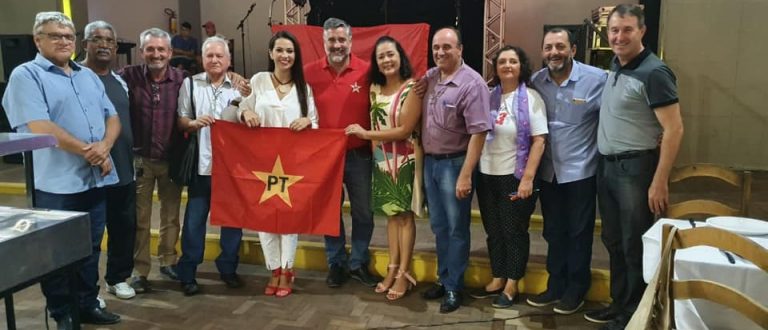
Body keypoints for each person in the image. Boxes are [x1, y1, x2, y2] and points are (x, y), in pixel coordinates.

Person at [2, 11, 122, 328]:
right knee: (55, 253)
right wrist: (91, 152)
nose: (63, 41)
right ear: (37, 39)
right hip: (56, 184)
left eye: (68, 36)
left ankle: (86, 303)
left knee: (91, 247)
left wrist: (105, 147)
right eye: (55, 35)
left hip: (94, 181)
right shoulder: (25, 76)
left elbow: (113, 117)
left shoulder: (87, 76)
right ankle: (62, 311)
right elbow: (39, 127)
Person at [594, 4, 683, 329]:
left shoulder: (654, 72)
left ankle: (635, 314)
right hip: (608, 168)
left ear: (642, 31)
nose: (619, 36)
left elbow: (674, 129)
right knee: (614, 241)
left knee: (634, 244)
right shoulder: (616, 66)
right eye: (614, 30)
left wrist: (659, 180)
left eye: (627, 29)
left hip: (635, 170)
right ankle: (619, 304)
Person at [525, 28, 607, 315]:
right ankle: (555, 284)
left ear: (573, 49)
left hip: (581, 172)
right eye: (548, 47)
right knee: (553, 231)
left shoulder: (598, 80)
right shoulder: (536, 82)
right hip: (548, 173)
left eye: (560, 46)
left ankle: (576, 288)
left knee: (579, 233)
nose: (553, 53)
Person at [237, 30, 318, 298]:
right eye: (280, 50)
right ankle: (273, 269)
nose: (285, 55)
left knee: (288, 219)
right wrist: (246, 111)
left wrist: (308, 121)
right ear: (271, 53)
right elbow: (241, 108)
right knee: (265, 218)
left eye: (290, 51)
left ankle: (287, 269)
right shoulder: (259, 81)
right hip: (261, 162)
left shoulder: (303, 88)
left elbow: (315, 122)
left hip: (292, 165)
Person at [344, 36, 424, 301]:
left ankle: (404, 273)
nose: (387, 60)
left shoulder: (412, 87)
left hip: (404, 160)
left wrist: (365, 135)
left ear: (400, 56)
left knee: (404, 218)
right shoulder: (374, 88)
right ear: (376, 63)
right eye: (381, 57)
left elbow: (405, 129)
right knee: (390, 218)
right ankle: (391, 270)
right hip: (381, 160)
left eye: (391, 54)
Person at [419, 26, 492, 313]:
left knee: (456, 228)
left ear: (460, 49)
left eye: (447, 47)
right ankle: (443, 277)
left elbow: (479, 133)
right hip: (431, 164)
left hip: (455, 164)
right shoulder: (431, 77)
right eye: (436, 47)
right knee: (439, 227)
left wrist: (465, 174)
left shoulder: (472, 84)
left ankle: (454, 287)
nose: (440, 52)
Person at [304, 17, 381, 288]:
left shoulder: (368, 70)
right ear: (323, 43)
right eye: (331, 41)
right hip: (324, 159)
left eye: (341, 40)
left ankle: (358, 262)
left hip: (359, 155)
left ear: (351, 41)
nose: (337, 45)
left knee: (364, 213)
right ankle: (335, 262)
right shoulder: (309, 72)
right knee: (329, 214)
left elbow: (396, 86)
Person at [473, 45, 547, 309]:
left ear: (521, 66)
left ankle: (513, 283)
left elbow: (539, 141)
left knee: (513, 230)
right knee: (493, 230)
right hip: (487, 175)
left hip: (514, 176)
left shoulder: (532, 98)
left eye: (512, 61)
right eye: (502, 61)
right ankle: (497, 276)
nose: (506, 66)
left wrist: (528, 178)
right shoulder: (488, 96)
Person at [175, 36, 245, 296]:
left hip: (232, 169)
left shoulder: (240, 88)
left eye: (219, 56)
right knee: (194, 222)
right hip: (201, 166)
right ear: (201, 59)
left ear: (228, 60)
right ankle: (188, 272)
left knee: (232, 222)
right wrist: (192, 124)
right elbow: (181, 119)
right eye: (209, 56)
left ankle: (228, 268)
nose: (214, 60)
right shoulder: (190, 84)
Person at [120, 27, 185, 292]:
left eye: (161, 49)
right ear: (142, 51)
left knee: (171, 215)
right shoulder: (127, 76)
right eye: (150, 49)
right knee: (141, 218)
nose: (156, 54)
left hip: (171, 159)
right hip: (140, 159)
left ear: (169, 53)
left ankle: (169, 260)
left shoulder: (183, 79)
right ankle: (140, 270)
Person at [81, 20, 138, 301]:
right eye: (96, 39)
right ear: (85, 45)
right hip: (90, 170)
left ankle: (118, 278)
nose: (103, 44)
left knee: (123, 227)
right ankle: (88, 292)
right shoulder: (76, 77)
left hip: (123, 169)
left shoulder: (119, 80)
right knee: (91, 235)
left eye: (109, 40)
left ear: (116, 47)